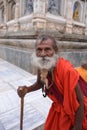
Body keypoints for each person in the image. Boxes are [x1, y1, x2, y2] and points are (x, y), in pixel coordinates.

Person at [17, 35, 87, 130]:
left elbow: (80, 100)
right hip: (58, 108)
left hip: (75, 111)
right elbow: (40, 83)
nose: (42, 54)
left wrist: (77, 126)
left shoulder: (66, 70)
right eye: (39, 50)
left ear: (55, 51)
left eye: (47, 49)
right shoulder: (41, 65)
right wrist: (27, 89)